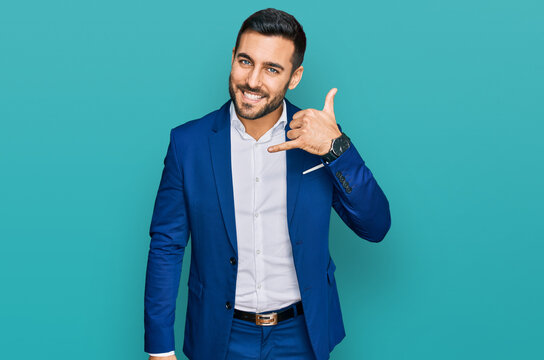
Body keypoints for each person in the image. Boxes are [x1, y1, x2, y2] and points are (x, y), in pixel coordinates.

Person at [144, 8, 391, 360]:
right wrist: (160, 348)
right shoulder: (189, 145)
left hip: (302, 335)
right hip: (220, 334)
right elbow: (167, 246)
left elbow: (376, 226)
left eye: (272, 69)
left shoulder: (318, 140)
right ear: (232, 57)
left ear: (295, 77)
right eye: (246, 61)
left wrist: (337, 150)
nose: (253, 81)